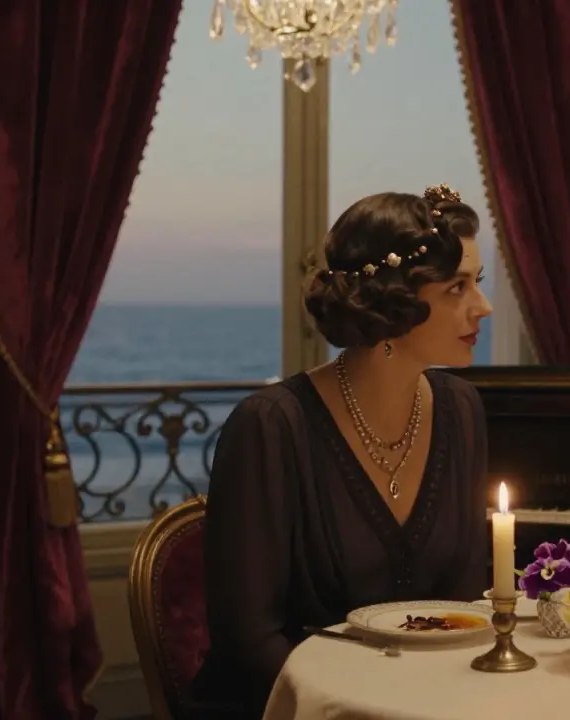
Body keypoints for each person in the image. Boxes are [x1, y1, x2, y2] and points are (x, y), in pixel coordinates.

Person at [187, 185, 494, 718]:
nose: (483, 306)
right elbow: (249, 640)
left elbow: (465, 602)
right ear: (395, 304)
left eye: (479, 284)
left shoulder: (461, 409)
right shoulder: (271, 427)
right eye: (456, 288)